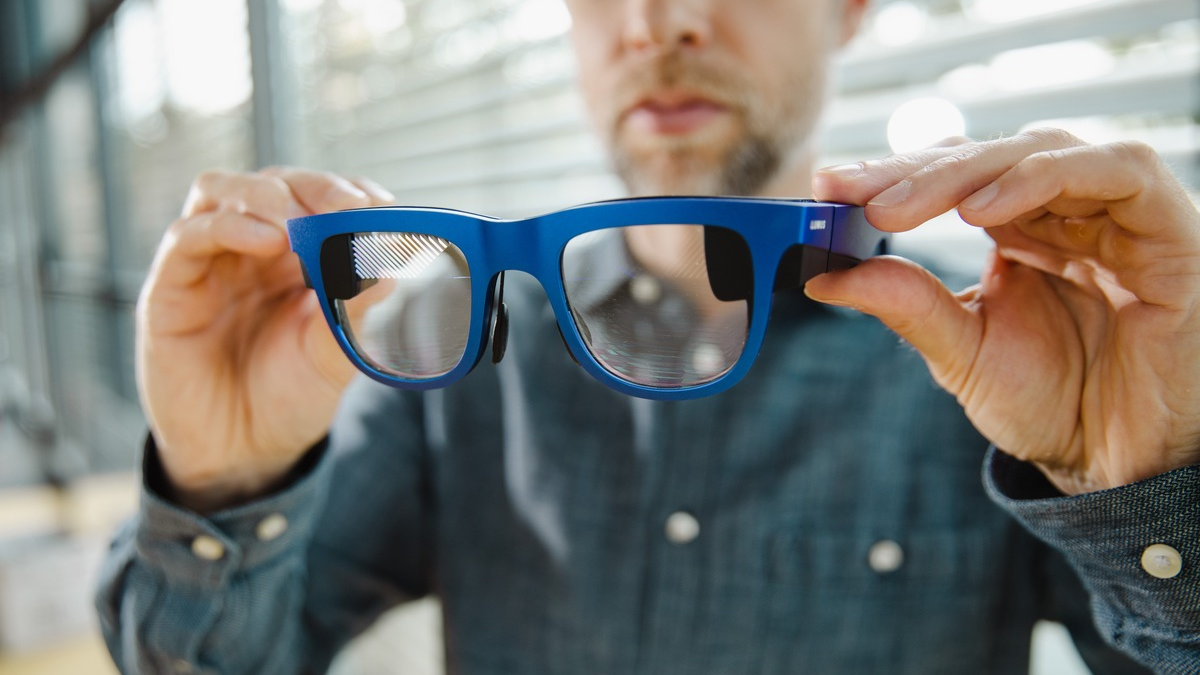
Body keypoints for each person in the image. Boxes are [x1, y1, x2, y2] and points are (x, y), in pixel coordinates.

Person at [95, 0, 1200, 673]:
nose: (654, 20)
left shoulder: (1023, 354)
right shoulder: (442, 341)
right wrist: (221, 476)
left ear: (850, 5)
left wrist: (1153, 478)